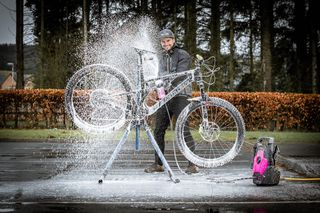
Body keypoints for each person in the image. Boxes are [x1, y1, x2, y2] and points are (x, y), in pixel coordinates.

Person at [144, 29, 199, 174]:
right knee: (158, 130)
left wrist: (163, 81)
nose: (165, 43)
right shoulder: (161, 57)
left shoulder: (183, 54)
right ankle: (158, 164)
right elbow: (159, 76)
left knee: (183, 129)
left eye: (168, 40)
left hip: (181, 96)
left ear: (173, 40)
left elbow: (180, 75)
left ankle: (192, 165)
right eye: (163, 41)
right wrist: (156, 88)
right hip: (165, 97)